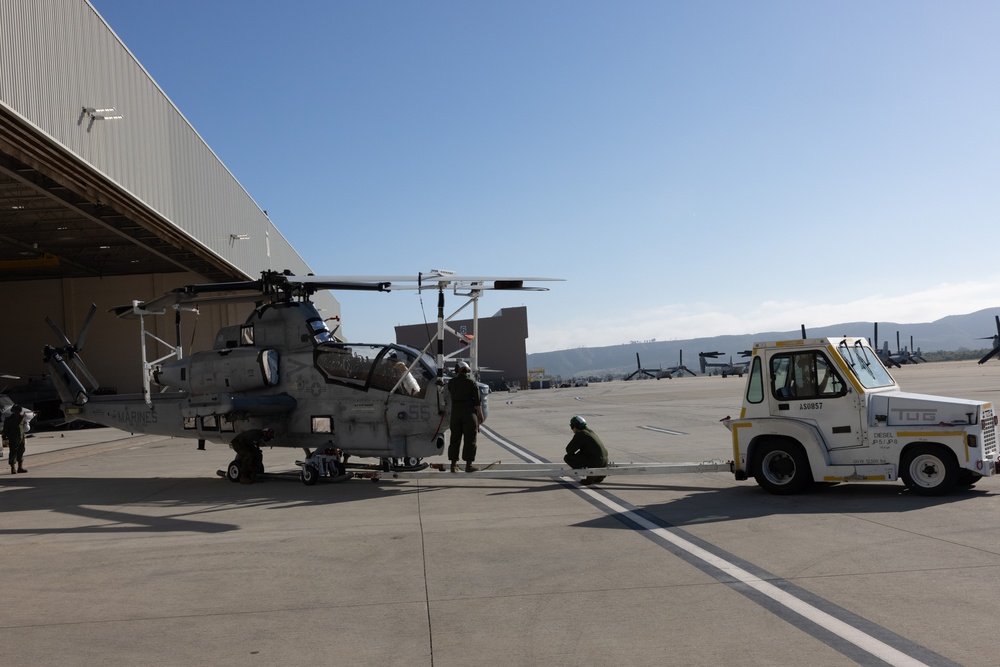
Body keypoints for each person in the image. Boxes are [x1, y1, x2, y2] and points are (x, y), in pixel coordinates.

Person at [447, 361, 485, 473]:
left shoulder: (451, 383)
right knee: (470, 440)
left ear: (457, 370)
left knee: (454, 439)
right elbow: (477, 402)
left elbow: (449, 394)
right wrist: (480, 415)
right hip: (469, 414)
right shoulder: (472, 383)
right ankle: (469, 465)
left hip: (455, 415)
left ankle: (453, 465)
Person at [564, 415, 608, 485]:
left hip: (596, 462)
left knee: (568, 458)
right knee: (583, 453)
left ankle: (590, 474)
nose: (572, 429)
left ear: (576, 426)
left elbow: (569, 450)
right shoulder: (590, 432)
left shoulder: (581, 434)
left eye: (572, 426)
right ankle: (599, 476)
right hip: (604, 462)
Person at [4, 405, 27, 474]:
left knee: (21, 451)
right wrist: (5, 437)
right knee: (13, 453)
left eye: (18, 411)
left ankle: (20, 467)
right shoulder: (8, 419)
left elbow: (24, 427)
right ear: (13, 411)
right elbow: (6, 430)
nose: (17, 412)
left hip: (21, 437)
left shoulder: (22, 418)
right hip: (13, 438)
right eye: (16, 411)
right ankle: (13, 468)